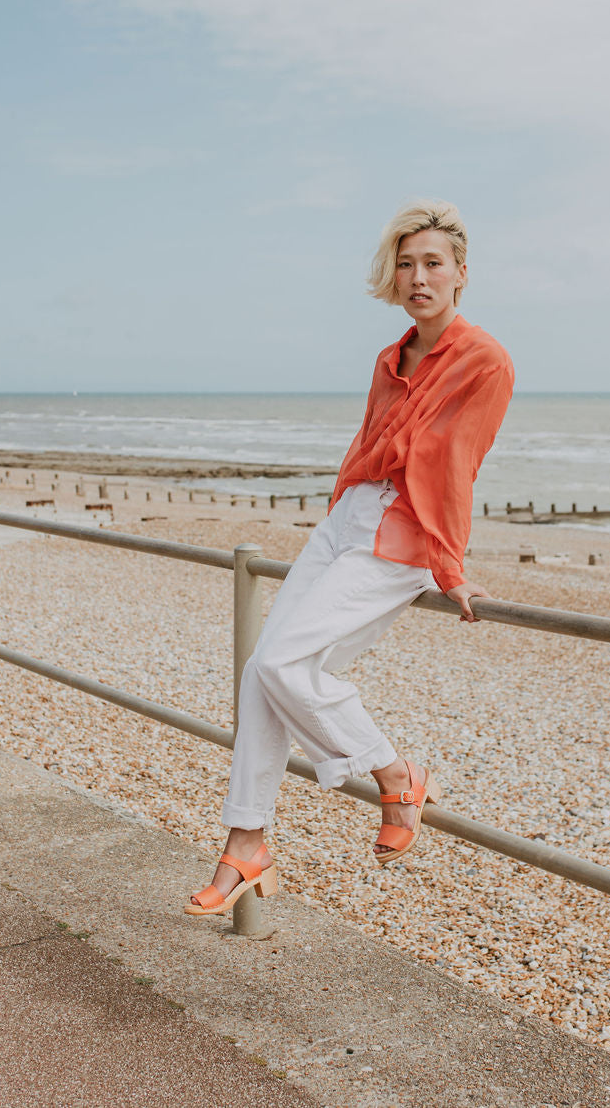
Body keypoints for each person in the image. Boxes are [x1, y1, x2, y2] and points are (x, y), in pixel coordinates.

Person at [185, 199, 514, 915]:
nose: (417, 276)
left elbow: (460, 464)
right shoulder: (388, 357)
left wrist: (449, 569)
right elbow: (364, 442)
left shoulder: (484, 360)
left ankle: (396, 775)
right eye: (405, 264)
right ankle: (246, 840)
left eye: (432, 263)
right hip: (349, 519)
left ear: (461, 273)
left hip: (405, 531)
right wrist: (337, 517)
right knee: (260, 669)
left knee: (281, 664)